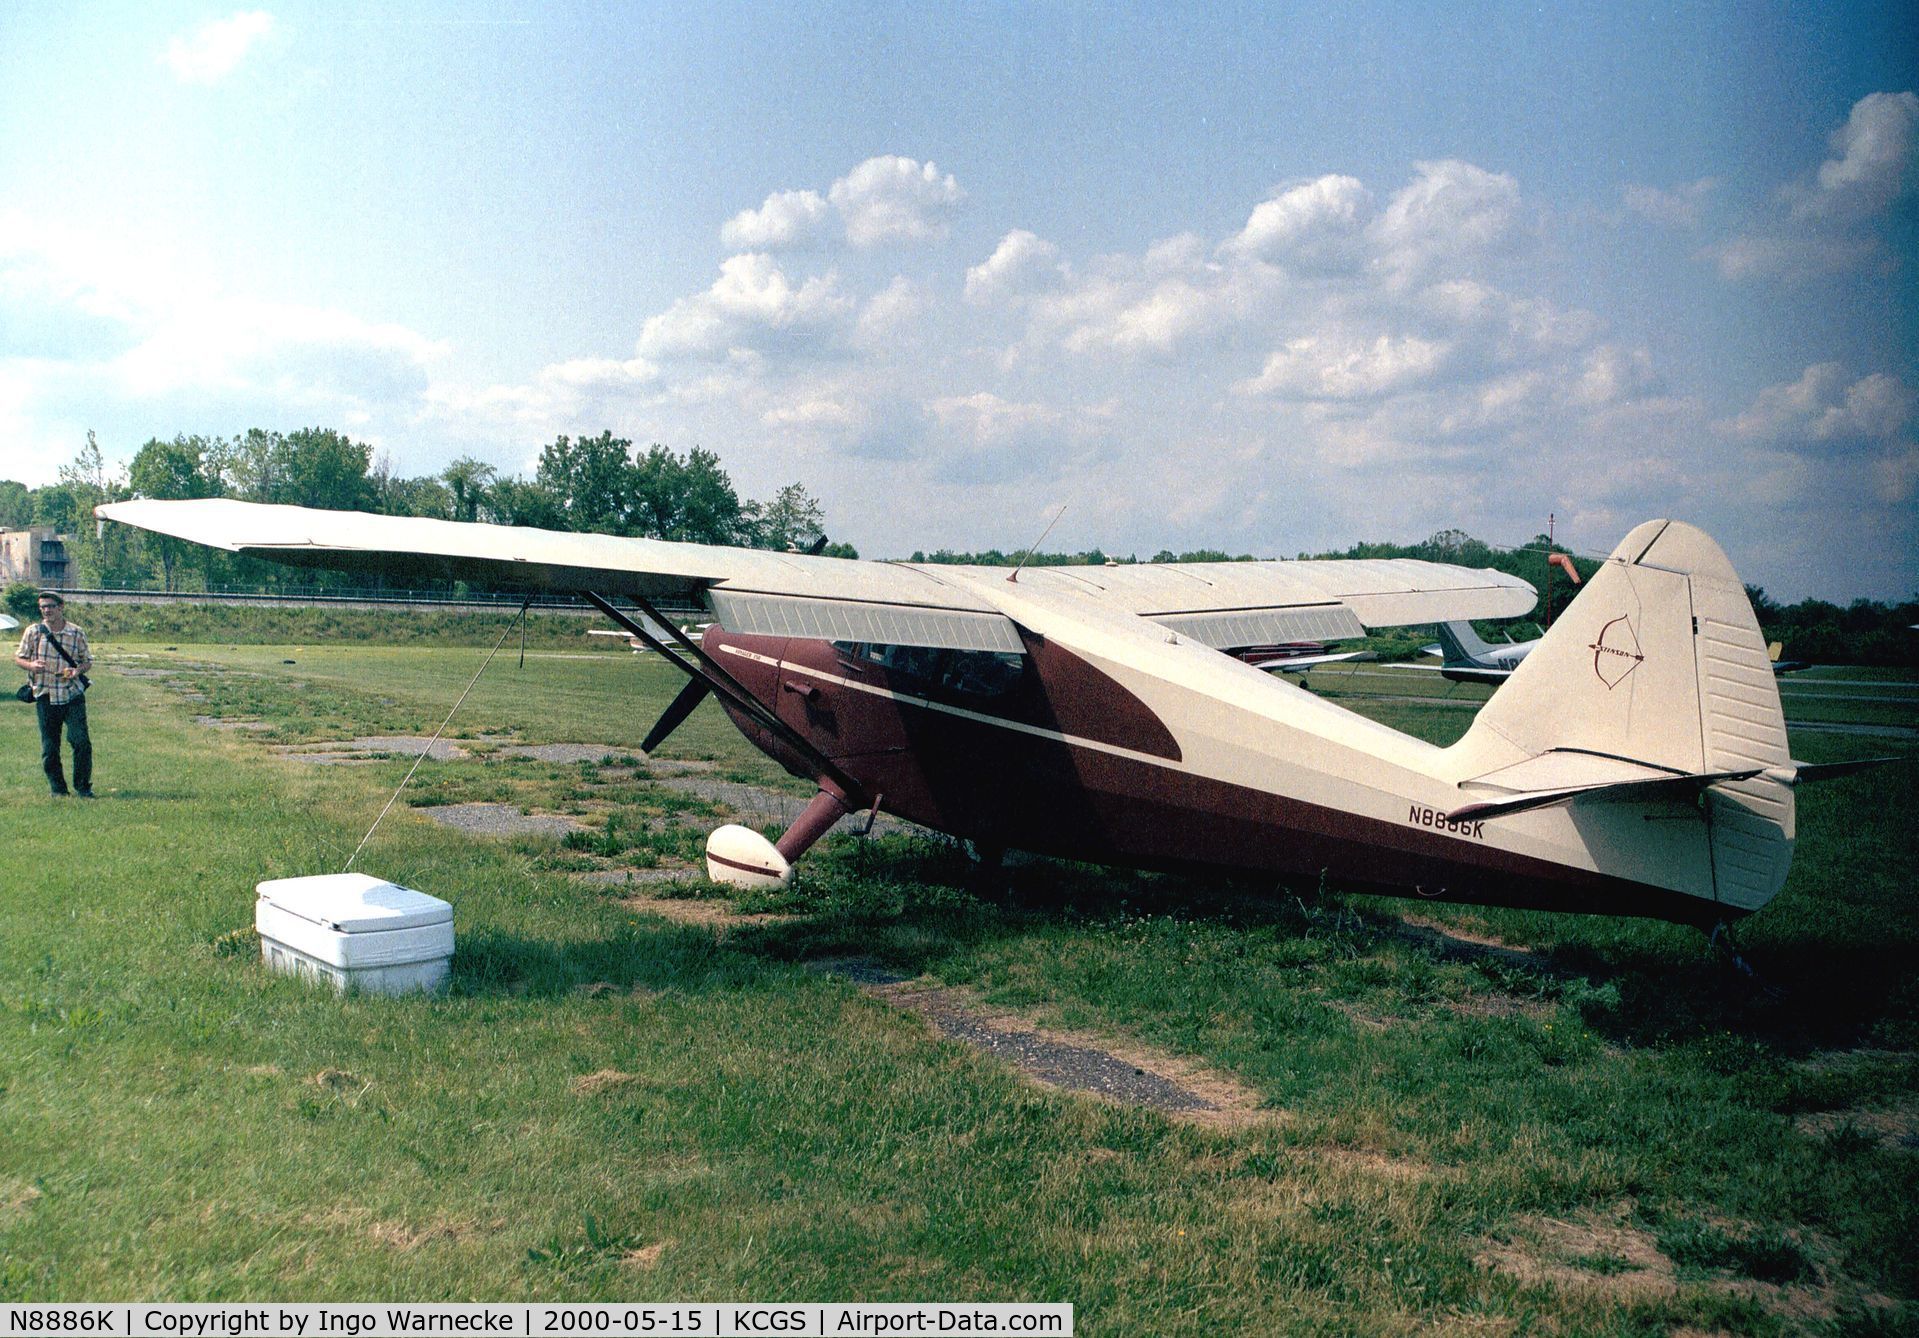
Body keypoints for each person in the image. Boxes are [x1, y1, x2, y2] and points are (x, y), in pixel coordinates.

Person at [14, 591, 94, 798]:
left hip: (72, 694)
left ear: (61, 607)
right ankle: (58, 790)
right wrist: (31, 665)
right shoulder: (33, 632)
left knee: (81, 742)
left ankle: (83, 787)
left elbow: (87, 661)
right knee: (50, 747)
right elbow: (19, 658)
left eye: (50, 606)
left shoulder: (76, 632)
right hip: (45, 694)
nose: (46, 610)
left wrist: (77, 671)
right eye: (43, 607)